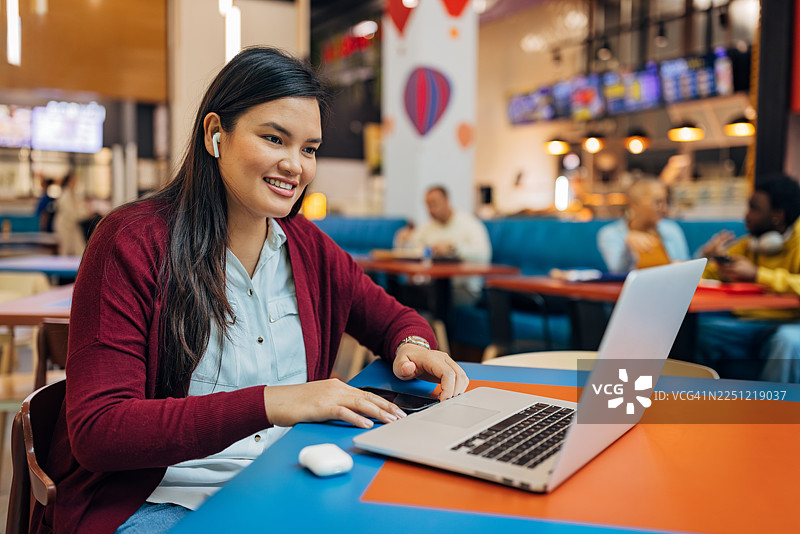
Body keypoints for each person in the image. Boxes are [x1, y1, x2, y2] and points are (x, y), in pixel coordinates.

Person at [32, 47, 468, 534]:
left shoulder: (308, 248)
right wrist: (273, 401)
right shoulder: (131, 241)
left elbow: (392, 319)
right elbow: (101, 431)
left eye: (309, 149)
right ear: (216, 134)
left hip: (287, 487)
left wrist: (414, 346)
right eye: (274, 138)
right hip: (158, 503)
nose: (295, 166)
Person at [698, 173, 800, 383]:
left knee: (788, 341)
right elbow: (705, 278)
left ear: (777, 216)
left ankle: (769, 407)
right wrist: (709, 258)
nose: (746, 215)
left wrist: (757, 275)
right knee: (701, 331)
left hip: (791, 322)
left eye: (754, 208)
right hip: (748, 323)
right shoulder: (749, 244)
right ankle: (695, 399)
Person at [394, 185, 492, 305]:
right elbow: (410, 250)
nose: (431, 210)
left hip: (465, 288)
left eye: (434, 204)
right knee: (401, 293)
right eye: (428, 205)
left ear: (447, 201)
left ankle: (436, 323)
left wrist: (453, 248)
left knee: (433, 298)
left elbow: (483, 254)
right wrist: (403, 239)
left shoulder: (469, 223)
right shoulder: (428, 227)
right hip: (434, 284)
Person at [597, 178, 690, 273]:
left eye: (666, 202)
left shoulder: (672, 229)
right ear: (634, 204)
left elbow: (686, 264)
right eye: (658, 202)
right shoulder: (610, 234)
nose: (664, 209)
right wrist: (628, 247)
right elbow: (617, 271)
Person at [52, 171, 88, 255]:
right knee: (66, 249)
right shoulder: (65, 195)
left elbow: (77, 211)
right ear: (69, 181)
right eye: (74, 180)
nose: (76, 183)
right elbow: (71, 213)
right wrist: (84, 214)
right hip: (65, 226)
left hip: (72, 225)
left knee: (79, 249)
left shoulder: (72, 194)